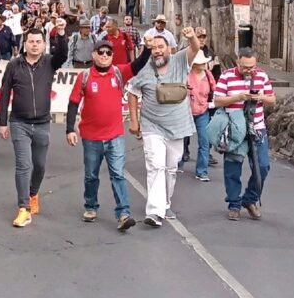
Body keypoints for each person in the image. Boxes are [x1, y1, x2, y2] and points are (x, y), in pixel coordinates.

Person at [65, 37, 152, 231]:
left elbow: (137, 65)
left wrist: (147, 49)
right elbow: (73, 103)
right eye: (101, 52)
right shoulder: (85, 76)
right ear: (93, 55)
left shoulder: (119, 73)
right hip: (91, 137)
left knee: (118, 174)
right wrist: (70, 129)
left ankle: (123, 213)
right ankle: (90, 205)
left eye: (108, 53)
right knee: (91, 175)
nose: (105, 56)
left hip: (115, 135)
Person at [127, 28, 200, 227]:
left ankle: (165, 202)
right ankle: (154, 212)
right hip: (152, 125)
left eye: (161, 47)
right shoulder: (144, 69)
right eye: (154, 48)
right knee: (155, 166)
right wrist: (135, 121)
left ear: (169, 49)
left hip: (177, 126)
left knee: (170, 168)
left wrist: (191, 36)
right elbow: (132, 92)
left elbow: (195, 47)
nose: (158, 51)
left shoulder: (180, 61)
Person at [0, 24, 68, 228]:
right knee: (23, 165)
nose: (35, 45)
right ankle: (23, 208)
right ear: (24, 44)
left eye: (38, 42)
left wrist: (61, 34)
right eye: (31, 42)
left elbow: (62, 54)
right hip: (19, 122)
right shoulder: (13, 65)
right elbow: (4, 93)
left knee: (40, 165)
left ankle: (33, 193)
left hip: (42, 123)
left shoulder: (49, 63)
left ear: (44, 45)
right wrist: (3, 122)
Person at [212, 48, 276, 221]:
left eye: (252, 67)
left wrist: (259, 97)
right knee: (232, 168)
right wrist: (239, 97)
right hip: (234, 130)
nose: (249, 70)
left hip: (257, 129)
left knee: (262, 166)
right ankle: (234, 204)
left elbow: (272, 99)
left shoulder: (261, 76)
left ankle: (250, 199)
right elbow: (217, 100)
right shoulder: (226, 76)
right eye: (245, 67)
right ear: (237, 63)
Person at [183, 51, 216, 182]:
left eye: (204, 61)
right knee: (181, 140)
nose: (203, 64)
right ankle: (178, 163)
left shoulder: (208, 75)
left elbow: (216, 89)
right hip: (186, 112)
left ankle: (201, 171)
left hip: (203, 112)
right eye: (201, 62)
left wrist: (213, 103)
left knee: (204, 141)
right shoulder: (185, 74)